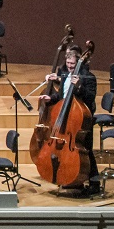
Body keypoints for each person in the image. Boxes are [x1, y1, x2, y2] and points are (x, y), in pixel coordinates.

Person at [38, 42, 99, 195]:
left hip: (81, 120)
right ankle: (71, 179)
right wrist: (50, 98)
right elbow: (61, 97)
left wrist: (79, 86)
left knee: (87, 151)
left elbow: (90, 97)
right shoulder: (65, 75)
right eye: (68, 63)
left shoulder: (89, 77)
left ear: (79, 61)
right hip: (66, 117)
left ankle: (95, 183)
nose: (70, 66)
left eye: (73, 64)